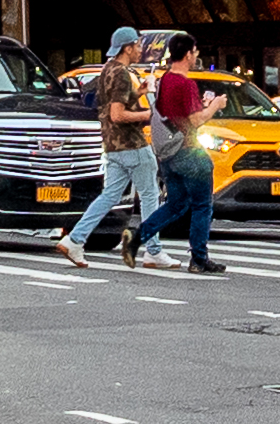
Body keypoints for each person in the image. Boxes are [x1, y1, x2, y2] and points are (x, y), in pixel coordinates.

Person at [122, 40, 227, 275]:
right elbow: (195, 120)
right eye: (195, 51)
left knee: (176, 203)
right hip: (189, 150)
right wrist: (216, 106)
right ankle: (199, 258)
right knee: (202, 205)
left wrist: (203, 105)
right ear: (189, 54)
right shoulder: (185, 84)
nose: (196, 55)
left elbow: (174, 113)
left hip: (168, 152)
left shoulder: (164, 81)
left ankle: (137, 238)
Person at [63, 27, 159, 264]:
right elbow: (117, 114)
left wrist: (138, 93)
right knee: (150, 195)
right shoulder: (122, 74)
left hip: (112, 145)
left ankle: (74, 239)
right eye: (137, 46)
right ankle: (153, 250)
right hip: (131, 144)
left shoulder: (107, 70)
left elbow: (111, 106)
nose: (139, 50)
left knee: (109, 196)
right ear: (127, 48)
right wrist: (149, 115)